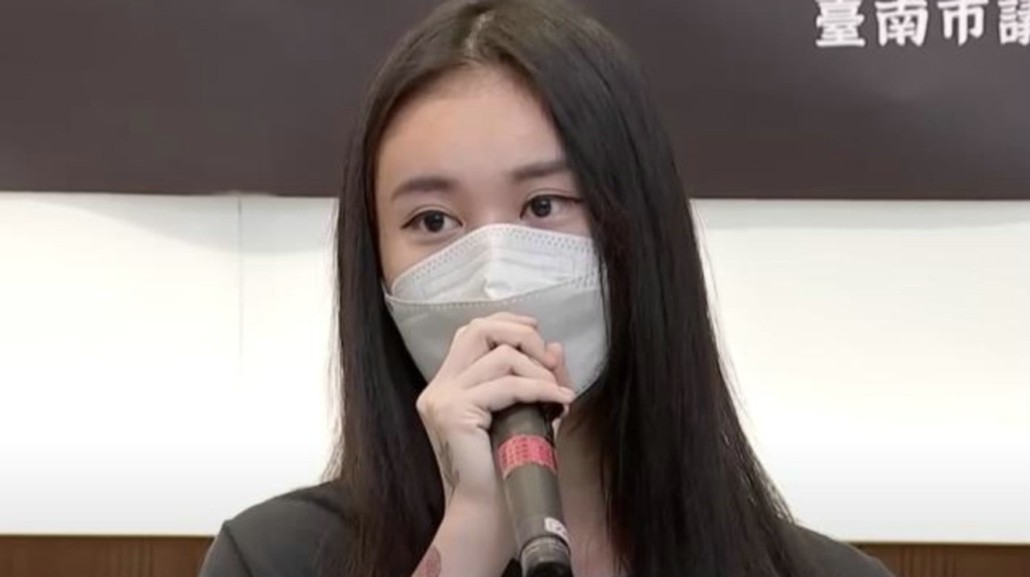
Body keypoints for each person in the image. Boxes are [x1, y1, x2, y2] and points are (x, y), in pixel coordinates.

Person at [199, 1, 895, 576]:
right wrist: (473, 532)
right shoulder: (271, 558)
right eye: (433, 220)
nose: (494, 272)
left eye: (543, 205)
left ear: (639, 231)